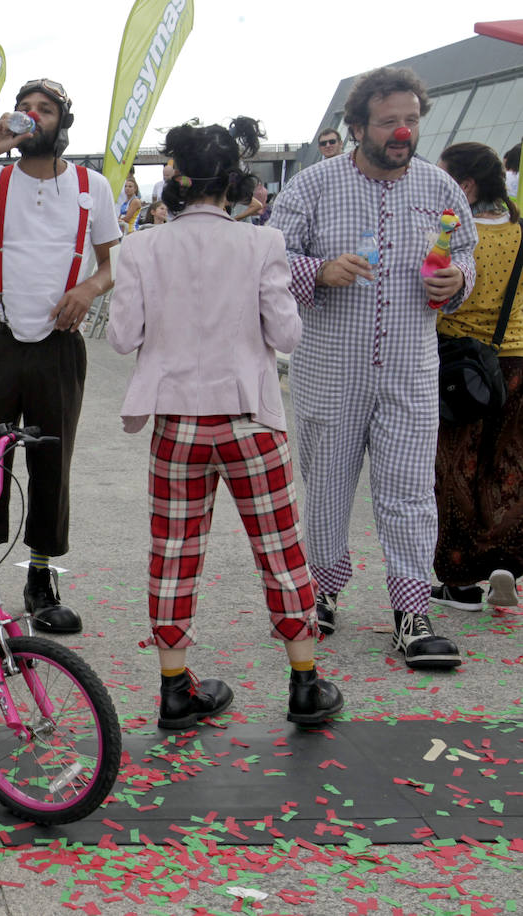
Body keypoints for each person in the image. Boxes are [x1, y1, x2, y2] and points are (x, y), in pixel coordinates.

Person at [108, 117, 344, 730]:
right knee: (281, 552)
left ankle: (174, 690)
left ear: (174, 176)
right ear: (235, 178)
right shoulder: (261, 244)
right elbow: (286, 334)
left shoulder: (140, 247)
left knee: (174, 553)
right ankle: (304, 683)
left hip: (177, 424)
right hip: (249, 418)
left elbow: (121, 337)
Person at [268, 66, 476, 670]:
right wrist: (319, 271)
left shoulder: (440, 189)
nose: (403, 131)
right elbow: (270, 258)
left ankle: (412, 614)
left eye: (411, 119)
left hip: (411, 367)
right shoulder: (312, 186)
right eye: (389, 122)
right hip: (330, 368)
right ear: (357, 127)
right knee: (328, 486)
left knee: (411, 495)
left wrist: (457, 278)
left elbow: (464, 253)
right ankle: (323, 592)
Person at [0, 78, 121, 634]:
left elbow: (111, 264)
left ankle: (41, 575)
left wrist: (87, 291)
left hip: (60, 345)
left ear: (63, 122)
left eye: (45, 109)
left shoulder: (92, 185)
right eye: (25, 108)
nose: (33, 116)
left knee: (53, 463)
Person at [431, 142, 523, 612]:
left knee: (455, 467)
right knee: (506, 464)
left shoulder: (459, 240)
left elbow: (440, 299)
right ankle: (505, 560)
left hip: (462, 365)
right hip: (518, 362)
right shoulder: (522, 230)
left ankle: (461, 578)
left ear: (464, 186)